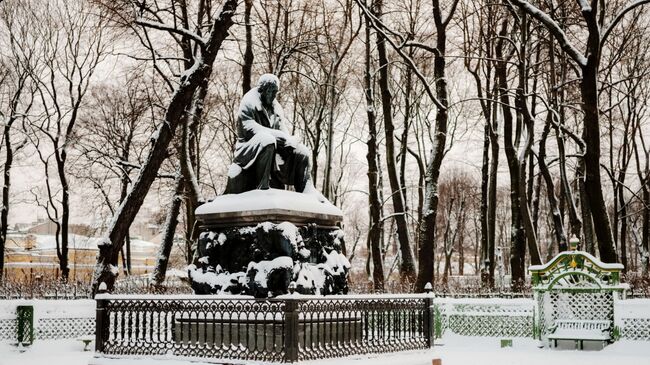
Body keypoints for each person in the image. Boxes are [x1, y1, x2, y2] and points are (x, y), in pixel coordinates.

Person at [224, 74, 324, 201]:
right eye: (272, 92)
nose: (274, 96)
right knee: (268, 141)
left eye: (276, 92)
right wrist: (278, 136)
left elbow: (283, 130)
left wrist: (291, 141)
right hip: (248, 149)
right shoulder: (249, 102)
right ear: (263, 90)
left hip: (274, 148)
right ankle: (262, 189)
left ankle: (306, 192)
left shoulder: (276, 107)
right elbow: (249, 130)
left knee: (302, 152)